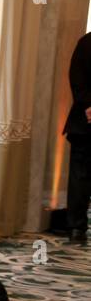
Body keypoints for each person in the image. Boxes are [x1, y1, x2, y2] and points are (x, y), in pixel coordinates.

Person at [63, 29, 91, 244]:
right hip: (85, 121)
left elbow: (77, 79)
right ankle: (76, 227)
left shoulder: (86, 42)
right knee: (80, 177)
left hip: (85, 118)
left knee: (80, 176)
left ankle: (77, 229)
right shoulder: (86, 43)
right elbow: (77, 79)